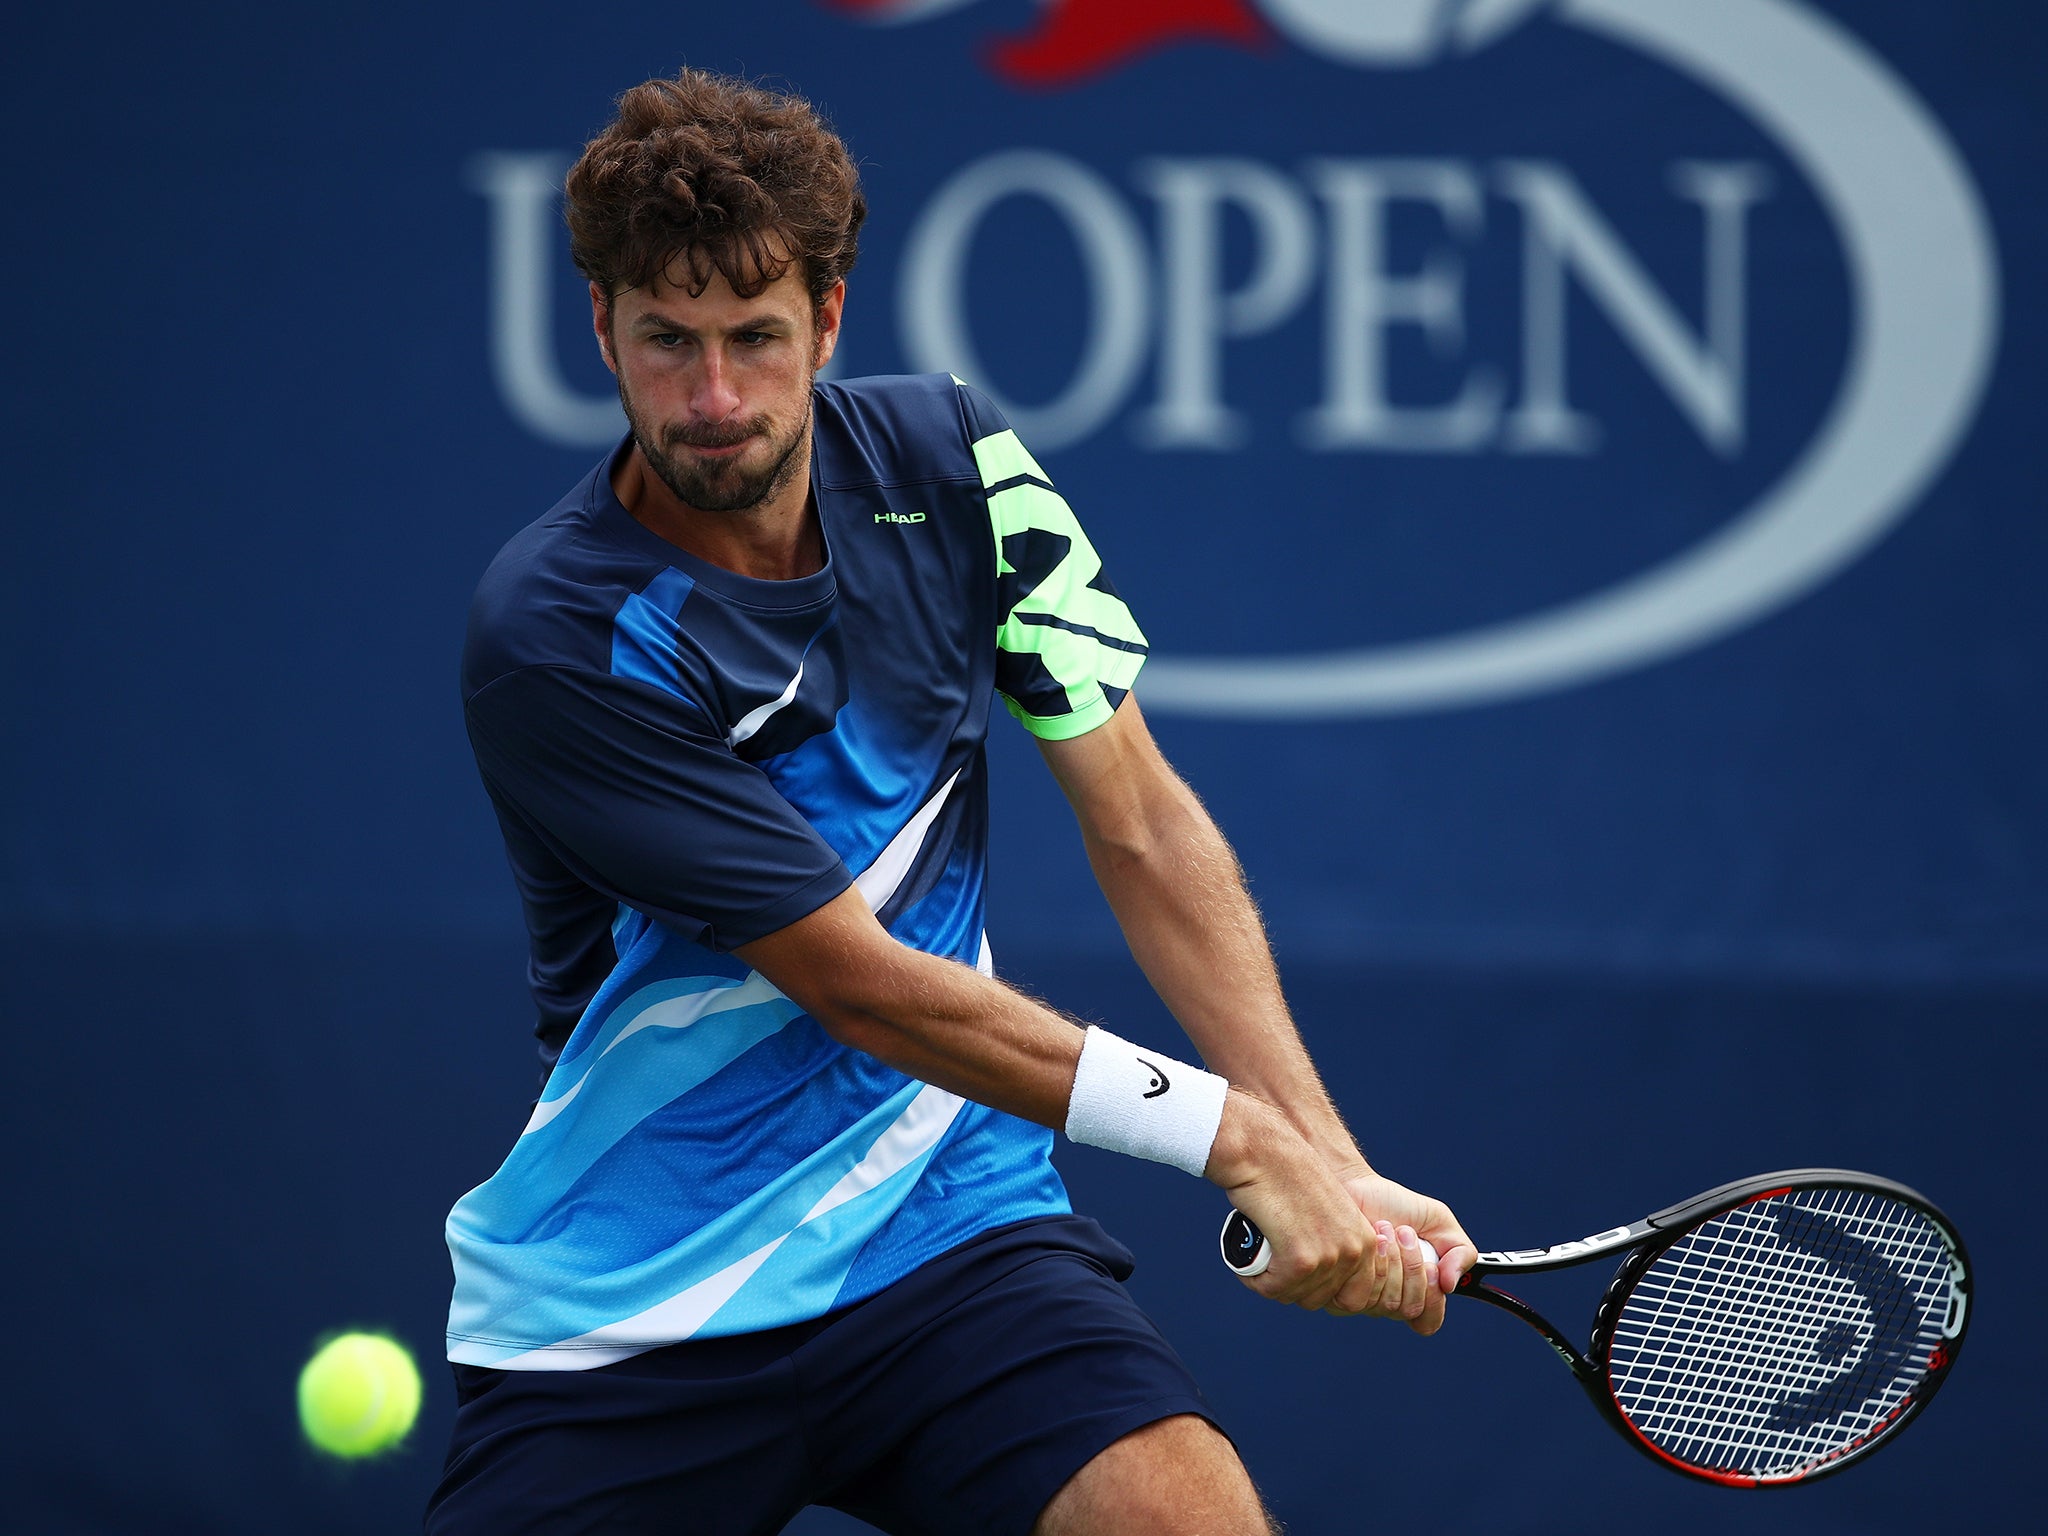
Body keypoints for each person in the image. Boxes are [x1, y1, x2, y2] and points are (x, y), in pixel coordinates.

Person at [427, 66, 1474, 1536]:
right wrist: (1233, 1136)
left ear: (831, 321)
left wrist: (1329, 1157)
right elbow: (862, 988)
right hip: (636, 1307)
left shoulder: (959, 465)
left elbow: (1148, 829)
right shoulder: (559, 631)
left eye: (754, 339)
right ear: (600, 329)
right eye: (667, 342)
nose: (713, 397)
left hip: (951, 1240)